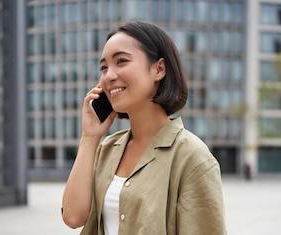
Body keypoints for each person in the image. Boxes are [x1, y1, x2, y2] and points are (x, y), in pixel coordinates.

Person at [61, 20, 226, 235]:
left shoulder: (193, 158)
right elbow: (73, 217)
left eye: (121, 61)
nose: (109, 76)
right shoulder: (107, 149)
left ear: (159, 69)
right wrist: (89, 138)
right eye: (103, 67)